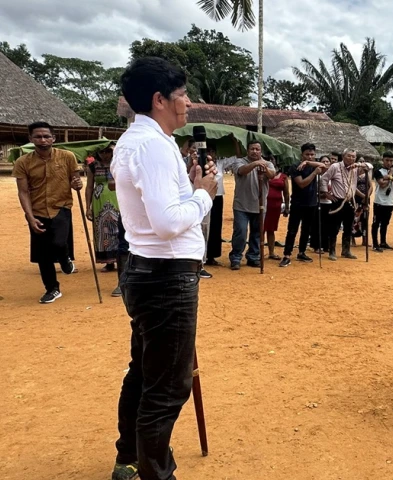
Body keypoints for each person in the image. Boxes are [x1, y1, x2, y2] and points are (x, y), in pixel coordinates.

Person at [110, 56, 218, 480]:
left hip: (149, 271)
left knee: (144, 371)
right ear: (159, 100)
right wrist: (204, 194)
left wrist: (189, 188)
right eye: (181, 96)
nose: (188, 103)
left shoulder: (138, 140)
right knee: (168, 388)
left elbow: (164, 208)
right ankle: (156, 472)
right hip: (167, 276)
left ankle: (129, 457)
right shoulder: (153, 145)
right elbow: (169, 223)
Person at [12, 121, 82, 304]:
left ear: (53, 138)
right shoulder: (22, 162)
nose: (42, 140)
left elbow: (76, 179)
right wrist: (29, 216)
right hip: (37, 211)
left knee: (59, 242)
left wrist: (78, 184)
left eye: (46, 136)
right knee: (43, 254)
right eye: (38, 136)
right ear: (30, 139)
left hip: (61, 207)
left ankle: (65, 258)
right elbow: (23, 191)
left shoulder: (67, 157)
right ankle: (52, 289)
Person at [228, 141, 276, 270]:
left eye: (257, 149)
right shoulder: (240, 161)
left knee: (257, 233)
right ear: (247, 150)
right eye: (252, 149)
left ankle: (253, 257)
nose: (255, 151)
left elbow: (272, 175)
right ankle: (236, 257)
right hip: (241, 205)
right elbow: (242, 171)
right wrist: (254, 164)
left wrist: (265, 169)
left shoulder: (268, 163)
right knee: (240, 232)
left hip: (260, 205)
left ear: (261, 151)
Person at [320, 148, 372, 260]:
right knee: (334, 227)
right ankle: (332, 251)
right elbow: (324, 179)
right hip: (337, 201)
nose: (351, 158)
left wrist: (359, 164)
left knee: (348, 227)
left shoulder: (356, 168)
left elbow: (369, 166)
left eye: (353, 156)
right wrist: (326, 193)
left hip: (350, 201)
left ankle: (346, 250)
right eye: (349, 156)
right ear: (343, 156)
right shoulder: (335, 167)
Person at [279, 143, 326, 267]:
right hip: (298, 203)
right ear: (302, 155)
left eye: (312, 155)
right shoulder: (295, 167)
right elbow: (302, 184)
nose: (310, 157)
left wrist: (310, 164)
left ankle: (302, 252)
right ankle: (287, 254)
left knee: (306, 229)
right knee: (292, 230)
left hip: (312, 203)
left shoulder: (313, 165)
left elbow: (325, 165)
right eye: (307, 155)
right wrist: (314, 173)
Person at [85, 144, 120, 274]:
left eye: (108, 151)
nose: (105, 154)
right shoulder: (93, 166)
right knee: (102, 230)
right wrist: (88, 207)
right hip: (99, 200)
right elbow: (89, 187)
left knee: (118, 229)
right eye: (102, 152)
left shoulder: (118, 163)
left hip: (117, 199)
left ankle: (120, 259)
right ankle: (108, 261)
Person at [204, 144, 237, 269]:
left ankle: (212, 256)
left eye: (213, 151)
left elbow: (236, 157)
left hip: (217, 198)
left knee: (216, 226)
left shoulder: (221, 164)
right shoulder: (201, 164)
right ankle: (202, 255)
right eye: (208, 151)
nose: (211, 153)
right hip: (205, 197)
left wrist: (235, 142)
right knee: (205, 226)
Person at [372, 152, 393, 252]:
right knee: (376, 223)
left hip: (389, 202)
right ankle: (375, 244)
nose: (389, 162)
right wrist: (390, 176)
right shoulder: (377, 171)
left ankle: (383, 242)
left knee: (385, 223)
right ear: (383, 160)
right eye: (387, 160)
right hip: (379, 201)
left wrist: (390, 177)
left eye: (391, 160)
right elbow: (382, 184)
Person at [264, 162, 289, 261]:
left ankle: (271, 252)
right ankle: (257, 252)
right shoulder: (263, 174)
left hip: (275, 206)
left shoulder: (283, 177)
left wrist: (287, 207)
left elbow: (286, 193)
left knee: (271, 229)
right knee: (260, 228)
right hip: (263, 205)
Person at [311, 155, 333, 254]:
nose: (325, 163)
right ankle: (316, 246)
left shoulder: (332, 177)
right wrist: (322, 195)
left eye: (327, 161)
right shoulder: (316, 176)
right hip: (318, 202)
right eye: (323, 161)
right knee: (317, 225)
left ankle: (326, 245)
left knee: (328, 226)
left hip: (330, 203)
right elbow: (313, 191)